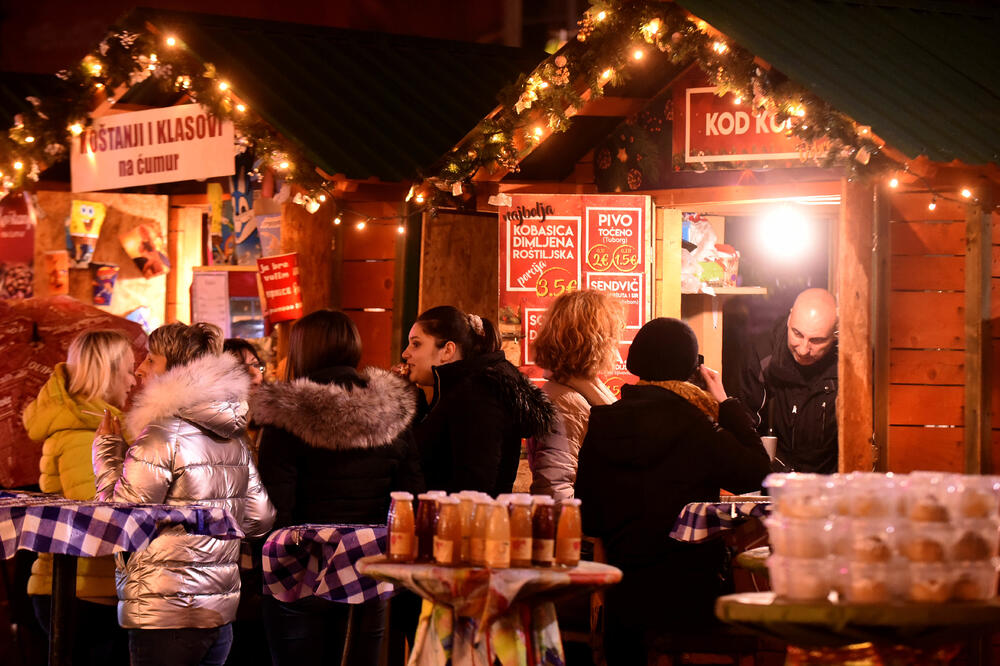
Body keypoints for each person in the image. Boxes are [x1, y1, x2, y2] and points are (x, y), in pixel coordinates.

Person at [576, 317, 770, 665]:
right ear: (690, 369)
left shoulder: (604, 422)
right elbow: (756, 472)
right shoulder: (696, 425)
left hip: (624, 597)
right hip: (688, 598)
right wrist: (726, 403)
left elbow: (587, 513)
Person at [92, 322, 275, 666]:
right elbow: (258, 520)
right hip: (219, 618)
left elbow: (120, 520)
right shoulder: (235, 438)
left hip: (164, 615)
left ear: (175, 371)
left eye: (151, 359)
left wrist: (106, 452)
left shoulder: (160, 436)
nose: (141, 368)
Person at [252, 309, 424, 665]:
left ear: (302, 350)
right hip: (371, 567)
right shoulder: (392, 410)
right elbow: (410, 493)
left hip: (302, 571)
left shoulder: (285, 413)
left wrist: (264, 568)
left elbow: (274, 505)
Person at [22, 329, 135, 665]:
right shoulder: (82, 435)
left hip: (86, 590)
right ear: (109, 372)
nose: (133, 380)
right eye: (128, 370)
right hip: (83, 594)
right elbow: (99, 516)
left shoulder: (94, 426)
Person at [401, 305, 555, 496]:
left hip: (462, 522)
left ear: (447, 350)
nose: (405, 353)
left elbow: (474, 485)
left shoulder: (476, 393)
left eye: (416, 344)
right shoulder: (456, 389)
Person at [526, 290, 621, 501]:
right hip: (581, 530)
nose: (616, 344)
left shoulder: (576, 390)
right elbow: (553, 489)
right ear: (595, 341)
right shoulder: (565, 402)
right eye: (611, 336)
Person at [736, 287, 838, 473]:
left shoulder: (847, 365)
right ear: (790, 318)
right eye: (797, 334)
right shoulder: (761, 354)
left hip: (830, 488)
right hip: (772, 482)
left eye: (816, 341)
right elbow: (745, 429)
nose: (803, 349)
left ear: (834, 335)